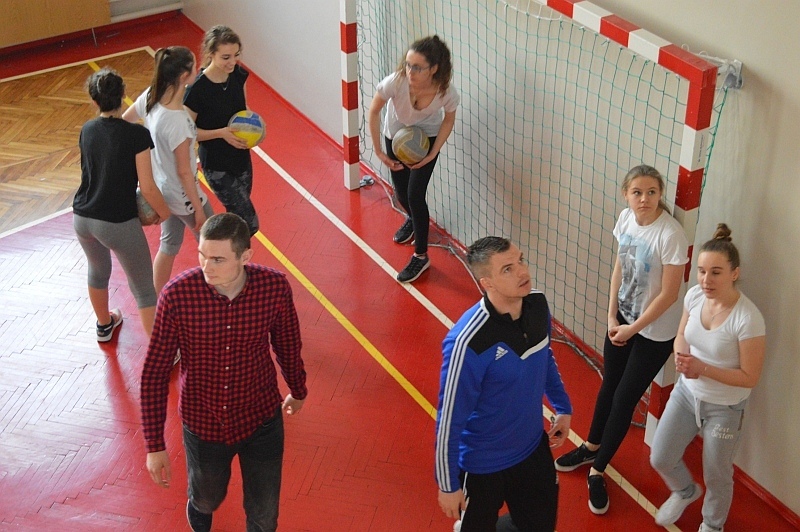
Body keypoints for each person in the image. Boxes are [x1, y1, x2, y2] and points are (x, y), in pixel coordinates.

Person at [140, 213, 308, 532]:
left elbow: (288, 343)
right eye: (202, 255)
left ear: (245, 256)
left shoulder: (273, 288)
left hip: (261, 420)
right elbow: (154, 373)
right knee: (207, 498)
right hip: (203, 425)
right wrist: (154, 444)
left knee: (264, 515)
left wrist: (298, 389)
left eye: (218, 259)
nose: (207, 266)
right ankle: (200, 507)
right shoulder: (177, 296)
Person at [553, 164, 689, 515]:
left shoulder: (670, 235)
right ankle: (591, 447)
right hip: (623, 320)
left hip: (654, 332)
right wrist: (612, 315)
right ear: (626, 195)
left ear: (660, 194)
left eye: (651, 192)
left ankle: (598, 471)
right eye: (637, 192)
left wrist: (633, 328)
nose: (644, 199)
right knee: (609, 385)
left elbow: (670, 294)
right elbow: (619, 267)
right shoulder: (626, 219)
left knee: (625, 398)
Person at [435, 236, 572, 532]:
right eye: (507, 269)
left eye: (520, 260)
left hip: (532, 449)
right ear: (487, 283)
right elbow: (449, 418)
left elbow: (544, 356)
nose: (522, 272)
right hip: (482, 466)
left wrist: (562, 407)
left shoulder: (538, 305)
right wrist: (447, 484)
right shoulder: (466, 342)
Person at [650, 224, 765, 532]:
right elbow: (681, 335)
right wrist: (680, 355)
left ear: (734, 273)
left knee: (717, 474)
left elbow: (750, 377)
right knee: (660, 457)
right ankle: (685, 491)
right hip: (686, 395)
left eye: (715, 272)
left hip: (725, 409)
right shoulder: (694, 297)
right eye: (701, 271)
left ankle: (712, 525)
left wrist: (702, 369)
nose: (705, 280)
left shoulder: (748, 318)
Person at [73, 67, 170, 341]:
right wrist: (164, 212)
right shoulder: (136, 135)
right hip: (117, 223)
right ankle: (160, 350)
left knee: (98, 271)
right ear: (123, 95)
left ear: (94, 101)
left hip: (82, 218)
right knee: (144, 290)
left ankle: (104, 326)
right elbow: (147, 187)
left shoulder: (87, 129)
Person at [368, 35, 460, 283]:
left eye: (417, 67)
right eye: (408, 64)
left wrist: (433, 153)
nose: (410, 71)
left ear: (434, 69)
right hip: (396, 136)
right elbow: (374, 111)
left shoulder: (446, 92)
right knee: (401, 194)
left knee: (415, 195)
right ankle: (413, 219)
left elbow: (448, 120)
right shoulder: (395, 82)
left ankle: (421, 256)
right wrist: (379, 151)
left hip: (426, 140)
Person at [123, 46, 214, 295]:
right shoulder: (177, 122)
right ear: (184, 76)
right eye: (195, 67)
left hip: (163, 192)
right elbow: (184, 172)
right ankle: (218, 293)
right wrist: (198, 209)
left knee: (169, 244)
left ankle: (154, 298)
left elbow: (124, 124)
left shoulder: (151, 96)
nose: (199, 69)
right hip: (184, 198)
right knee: (214, 245)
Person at [184, 25, 260, 236]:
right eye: (226, 57)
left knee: (237, 219)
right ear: (211, 54)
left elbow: (243, 110)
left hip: (241, 156)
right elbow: (188, 133)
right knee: (249, 222)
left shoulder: (238, 75)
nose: (232, 62)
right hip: (216, 164)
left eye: (236, 55)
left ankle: (233, 254)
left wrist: (255, 125)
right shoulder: (197, 89)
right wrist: (220, 133)